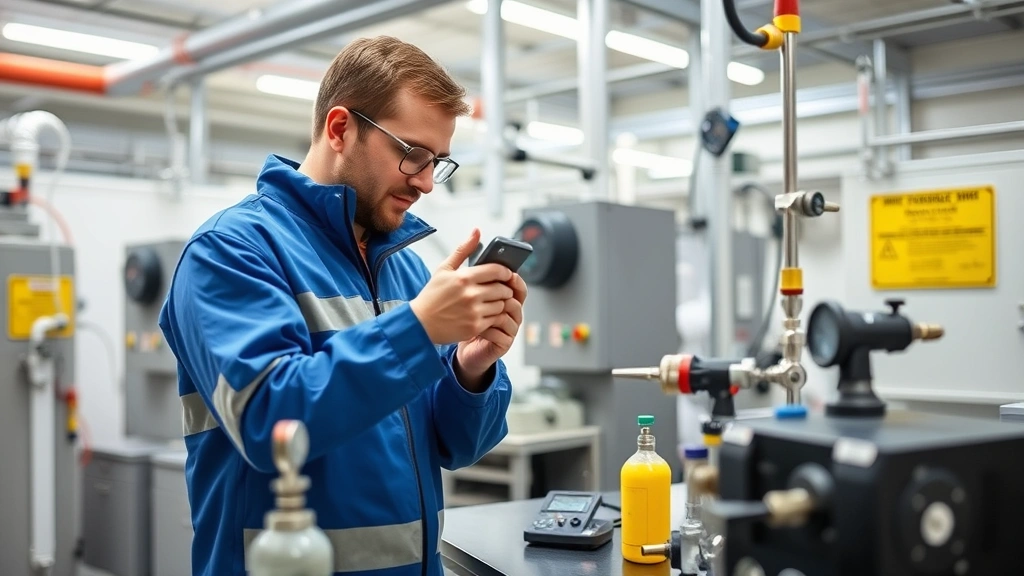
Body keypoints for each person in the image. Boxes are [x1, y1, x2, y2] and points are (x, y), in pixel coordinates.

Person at [158, 35, 525, 576]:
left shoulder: (405, 268)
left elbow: (457, 446)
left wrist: (471, 371)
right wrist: (419, 330)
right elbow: (271, 425)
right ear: (339, 129)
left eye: (437, 162)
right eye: (412, 154)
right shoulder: (231, 250)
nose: (426, 182)